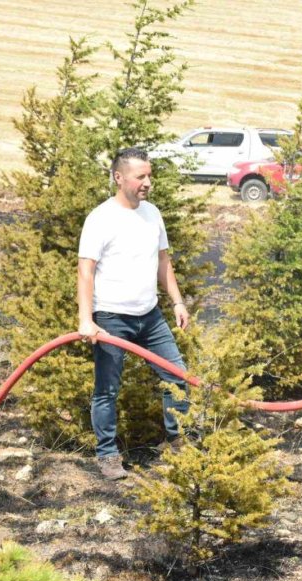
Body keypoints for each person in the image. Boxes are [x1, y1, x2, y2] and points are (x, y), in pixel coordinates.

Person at [77, 147, 190, 481]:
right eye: (140, 176)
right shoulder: (101, 218)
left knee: (177, 377)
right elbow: (86, 271)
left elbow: (163, 261)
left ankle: (177, 442)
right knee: (107, 390)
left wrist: (177, 302)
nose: (147, 183)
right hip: (111, 319)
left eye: (149, 176)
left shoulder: (152, 214)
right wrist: (86, 319)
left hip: (150, 316)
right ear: (119, 177)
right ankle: (108, 455)